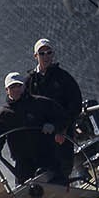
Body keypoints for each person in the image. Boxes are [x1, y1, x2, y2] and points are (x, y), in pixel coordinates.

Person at [28, 37, 83, 181]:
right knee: (46, 171)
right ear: (35, 56)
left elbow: (75, 104)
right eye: (42, 53)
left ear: (53, 54)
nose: (45, 56)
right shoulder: (30, 81)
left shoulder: (63, 77)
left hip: (62, 134)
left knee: (64, 168)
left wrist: (62, 128)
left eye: (49, 52)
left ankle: (66, 189)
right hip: (41, 135)